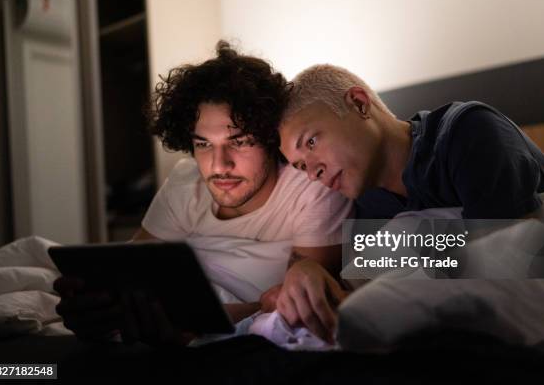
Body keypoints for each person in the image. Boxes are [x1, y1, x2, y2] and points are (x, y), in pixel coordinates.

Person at [53, 44, 352, 346]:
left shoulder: (311, 184)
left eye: (240, 141)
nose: (219, 165)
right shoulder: (185, 181)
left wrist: (191, 323)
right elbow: (133, 269)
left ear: (270, 138)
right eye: (204, 144)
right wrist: (100, 307)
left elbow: (294, 303)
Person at [274, 63, 544, 340]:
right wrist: (307, 269)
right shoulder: (366, 205)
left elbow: (509, 270)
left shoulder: (469, 132)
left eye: (311, 142)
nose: (313, 172)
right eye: (301, 167)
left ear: (360, 104)